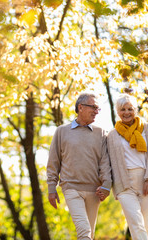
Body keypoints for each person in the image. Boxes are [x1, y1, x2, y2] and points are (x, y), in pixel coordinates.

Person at [47, 93, 112, 240]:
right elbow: (53, 162)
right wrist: (52, 188)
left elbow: (105, 162)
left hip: (95, 191)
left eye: (98, 108)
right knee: (84, 231)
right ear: (80, 107)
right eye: (93, 107)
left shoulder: (100, 133)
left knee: (89, 234)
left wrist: (107, 185)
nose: (96, 111)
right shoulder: (62, 131)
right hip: (71, 188)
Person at [107, 94, 148, 240]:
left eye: (130, 109)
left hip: (146, 181)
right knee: (136, 223)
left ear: (135, 110)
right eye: (123, 109)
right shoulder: (112, 135)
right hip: (124, 184)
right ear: (118, 112)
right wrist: (106, 185)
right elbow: (107, 163)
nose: (126, 112)